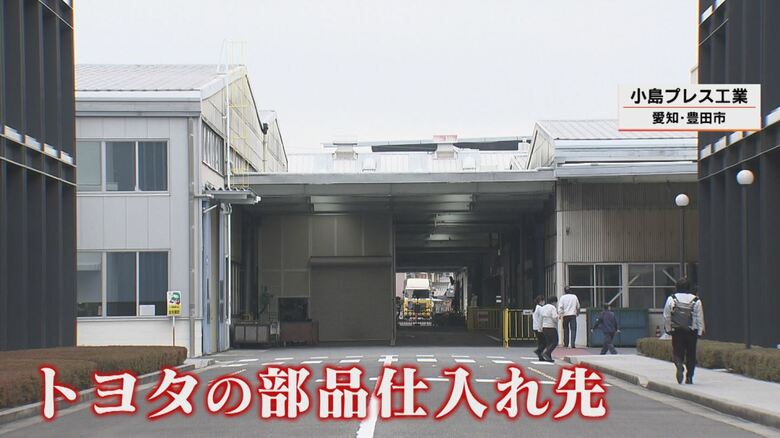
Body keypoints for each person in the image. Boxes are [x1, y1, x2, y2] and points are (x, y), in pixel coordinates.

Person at [663, 278, 705, 384]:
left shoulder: (672, 298)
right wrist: (700, 331)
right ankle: (689, 377)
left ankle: (679, 364)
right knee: (691, 353)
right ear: (689, 288)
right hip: (692, 330)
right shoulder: (696, 300)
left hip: (677, 330)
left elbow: (667, 315)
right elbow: (699, 317)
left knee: (677, 351)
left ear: (677, 287)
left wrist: (668, 328)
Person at [540, 296, 559, 362]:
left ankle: (548, 357)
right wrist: (557, 319)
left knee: (549, 343)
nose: (556, 304)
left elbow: (540, 318)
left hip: (544, 327)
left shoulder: (543, 308)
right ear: (553, 302)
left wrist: (540, 327)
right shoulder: (552, 308)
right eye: (556, 302)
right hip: (551, 326)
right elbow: (554, 317)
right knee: (555, 342)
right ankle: (547, 353)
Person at [531, 295, 546, 361]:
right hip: (539, 327)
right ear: (541, 301)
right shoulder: (540, 308)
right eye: (543, 301)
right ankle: (538, 351)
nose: (544, 302)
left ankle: (540, 356)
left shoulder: (535, 307)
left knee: (540, 342)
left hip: (535, 327)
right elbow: (542, 318)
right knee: (545, 342)